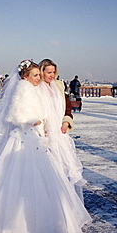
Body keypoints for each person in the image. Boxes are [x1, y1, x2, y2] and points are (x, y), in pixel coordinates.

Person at [0, 60, 92, 233]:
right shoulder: (23, 89)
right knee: (22, 180)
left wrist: (44, 124)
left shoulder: (34, 88)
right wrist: (36, 122)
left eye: (39, 75)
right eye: (36, 75)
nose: (39, 79)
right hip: (26, 138)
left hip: (35, 138)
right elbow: (15, 115)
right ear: (25, 75)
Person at [38, 59, 86, 201]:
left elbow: (68, 107)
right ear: (42, 72)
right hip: (45, 134)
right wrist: (40, 128)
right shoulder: (36, 87)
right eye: (49, 72)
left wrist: (66, 121)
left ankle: (65, 201)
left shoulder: (58, 86)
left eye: (54, 72)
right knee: (49, 170)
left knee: (65, 168)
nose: (52, 75)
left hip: (60, 133)